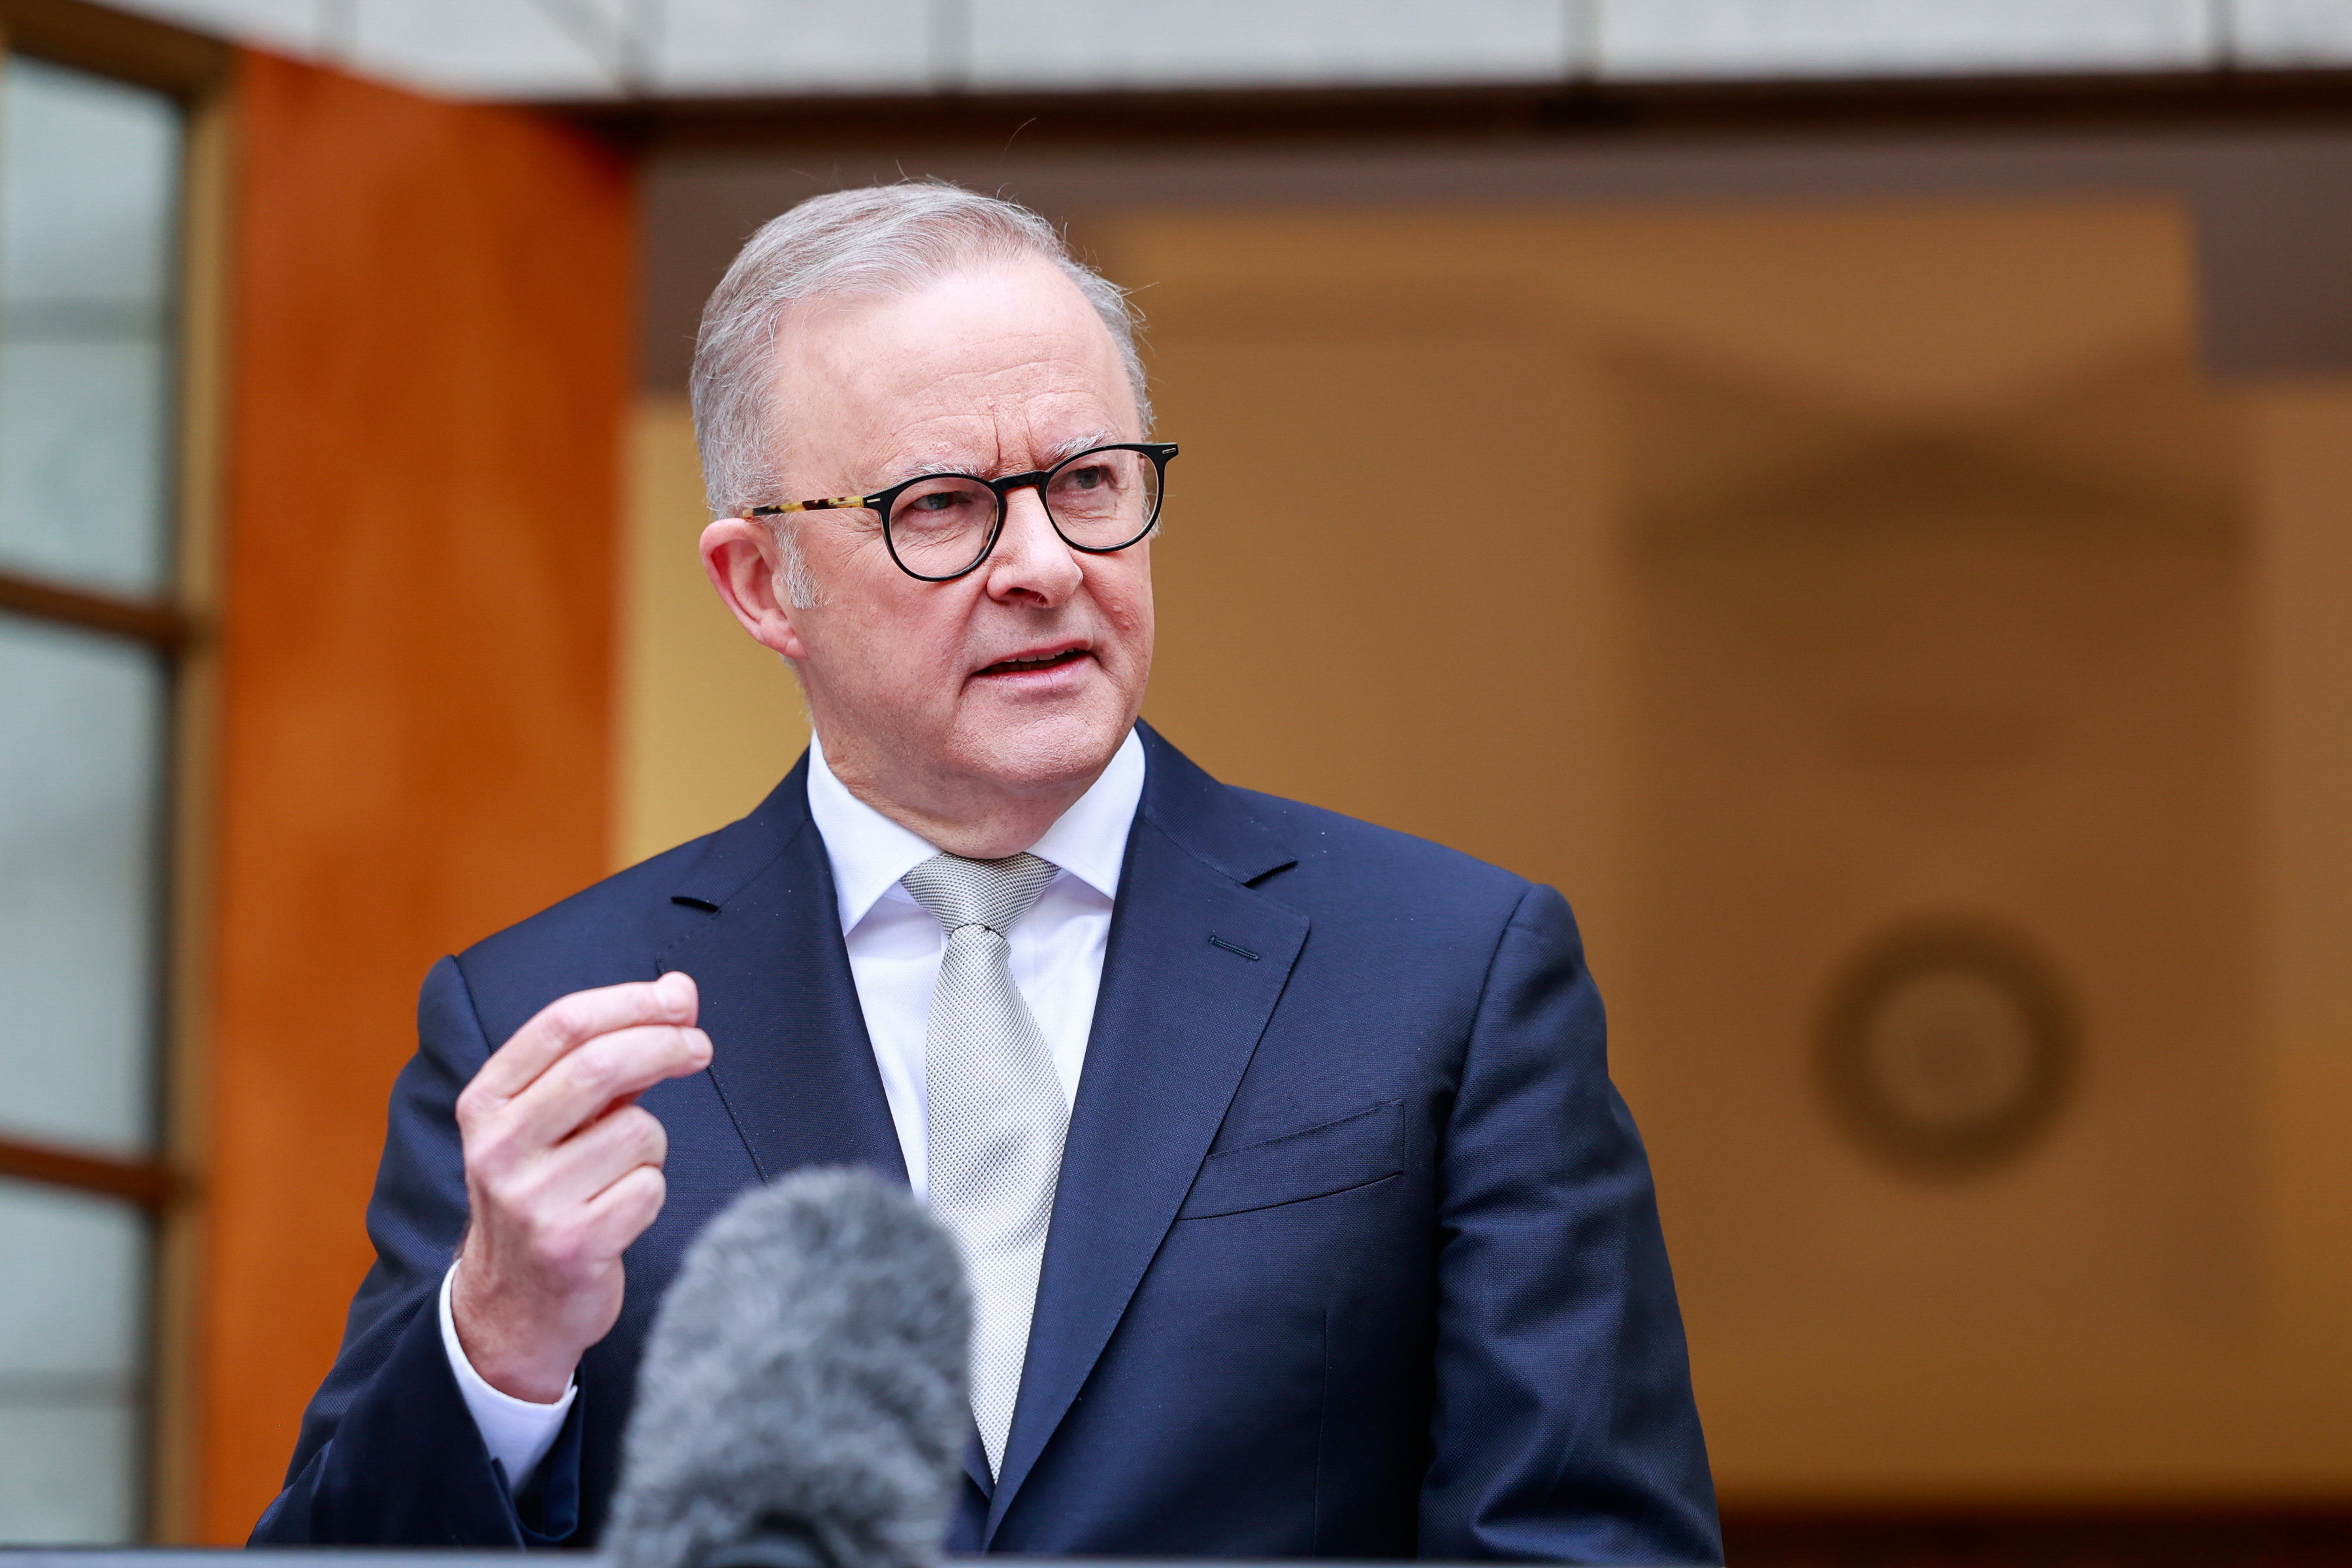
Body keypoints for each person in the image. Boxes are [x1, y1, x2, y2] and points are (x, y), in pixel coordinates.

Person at [254, 182, 1720, 1561]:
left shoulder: (1447, 974)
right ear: (763, 584)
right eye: (942, 506)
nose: (1046, 564)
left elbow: (1589, 1541)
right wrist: (499, 1345)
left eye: (1088, 481)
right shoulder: (542, 1028)